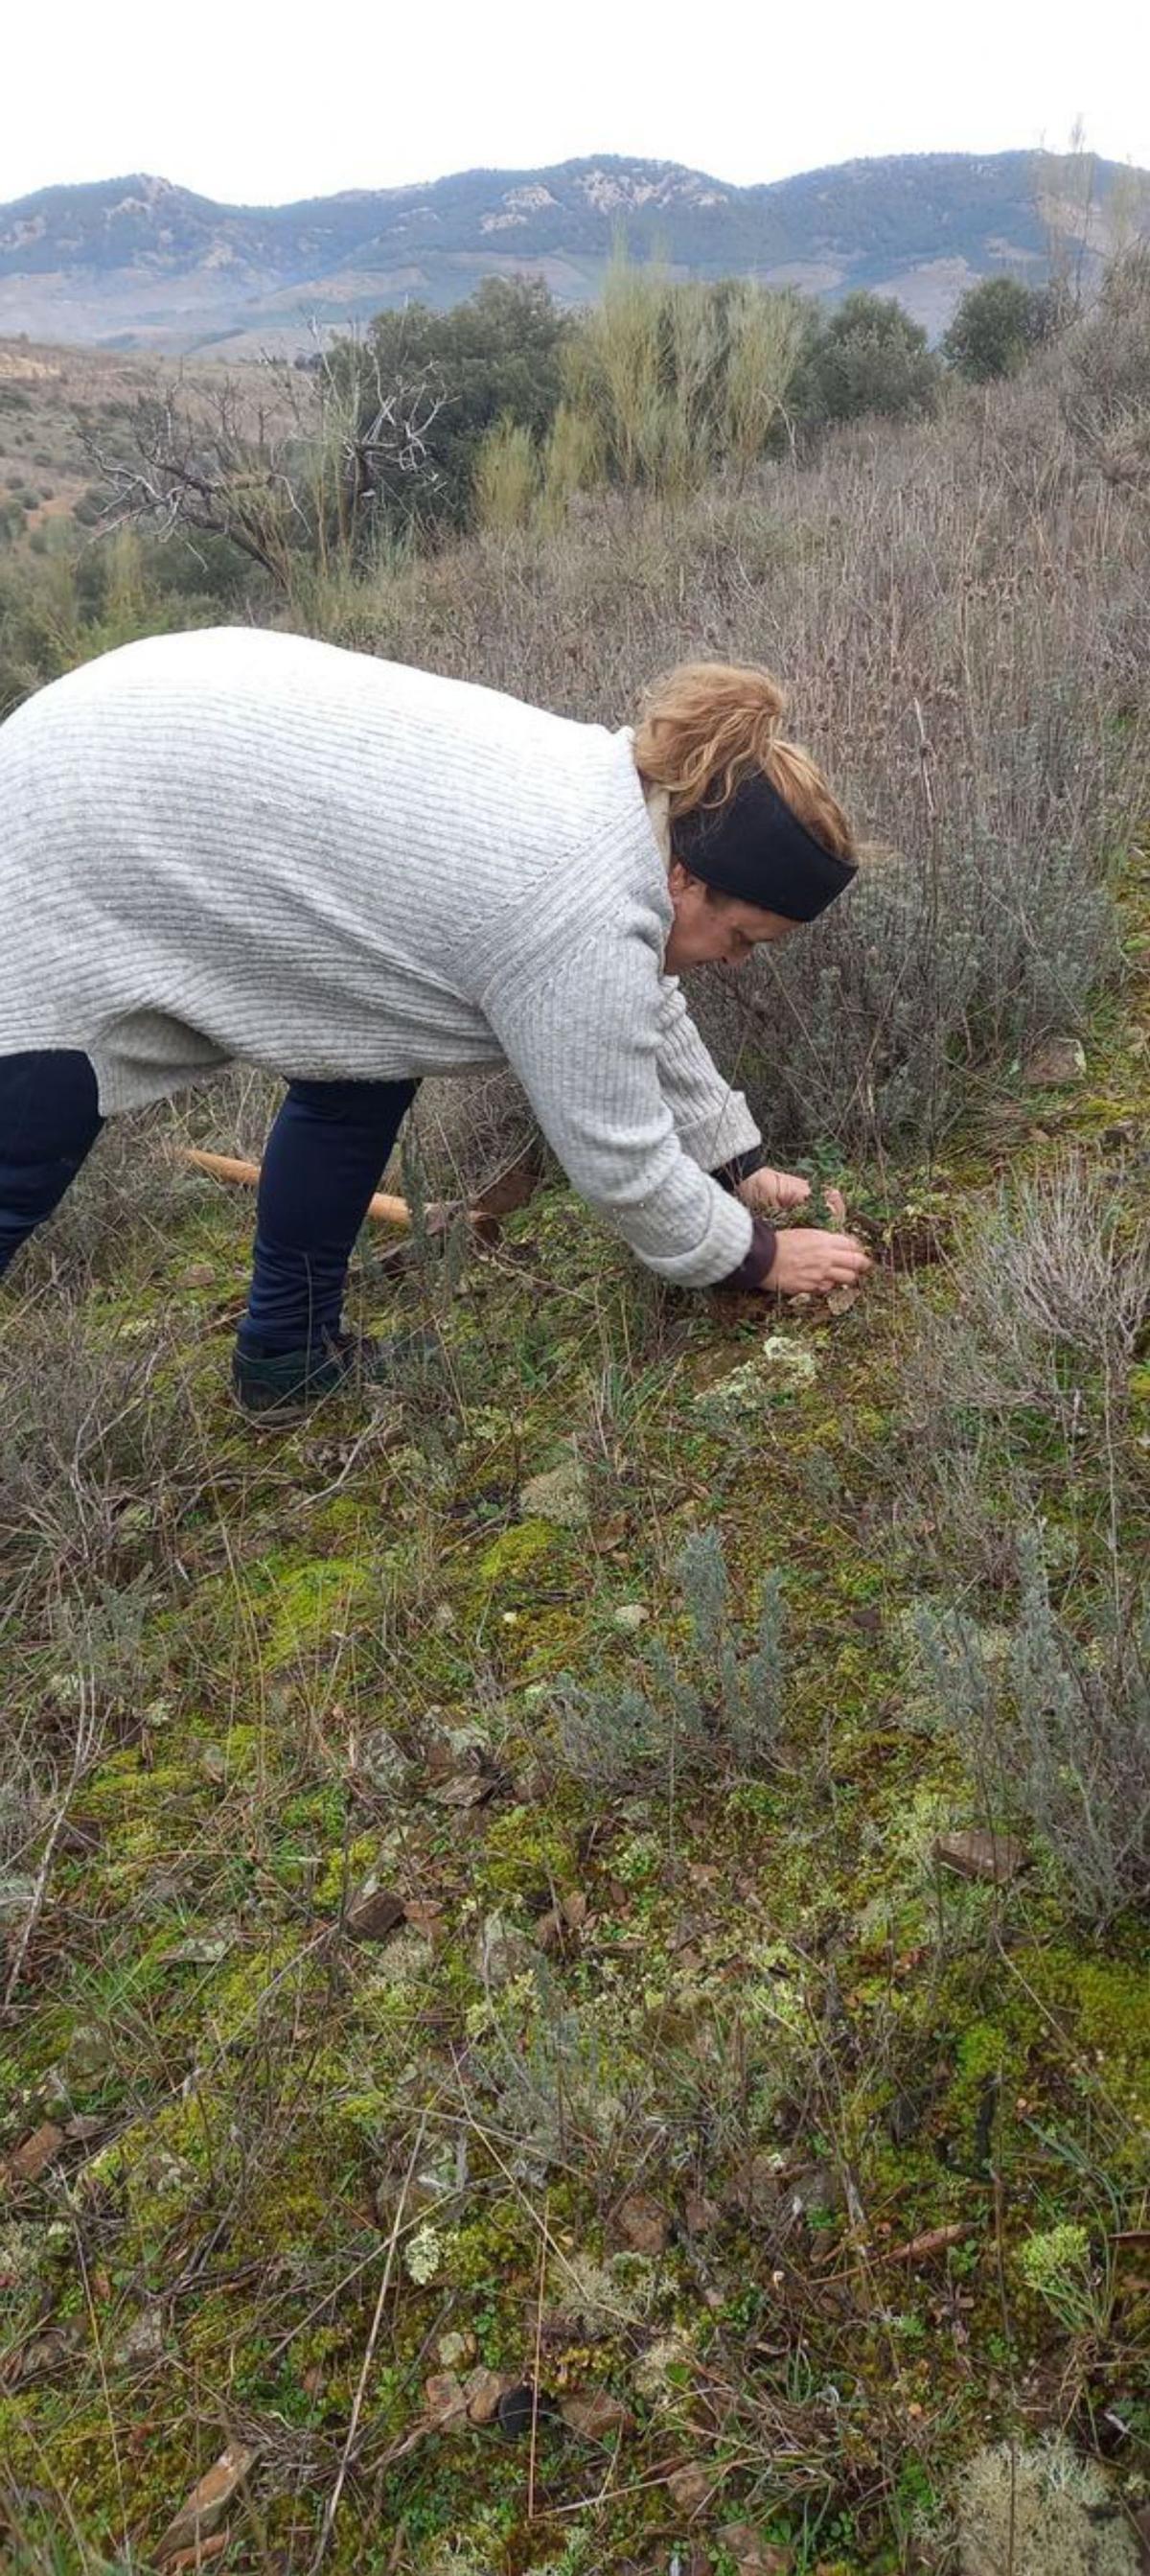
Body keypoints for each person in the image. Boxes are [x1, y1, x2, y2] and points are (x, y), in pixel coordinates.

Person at [0, 628, 871, 1424]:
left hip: (142, 742)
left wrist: (737, 1165)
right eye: (744, 937)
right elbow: (624, 1165)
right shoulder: (580, 901)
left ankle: (288, 1355)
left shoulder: (624, 811)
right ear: (689, 877)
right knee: (28, 1135)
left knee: (371, 1046)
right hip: (73, 824)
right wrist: (758, 1258)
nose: (736, 962)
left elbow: (633, 991)